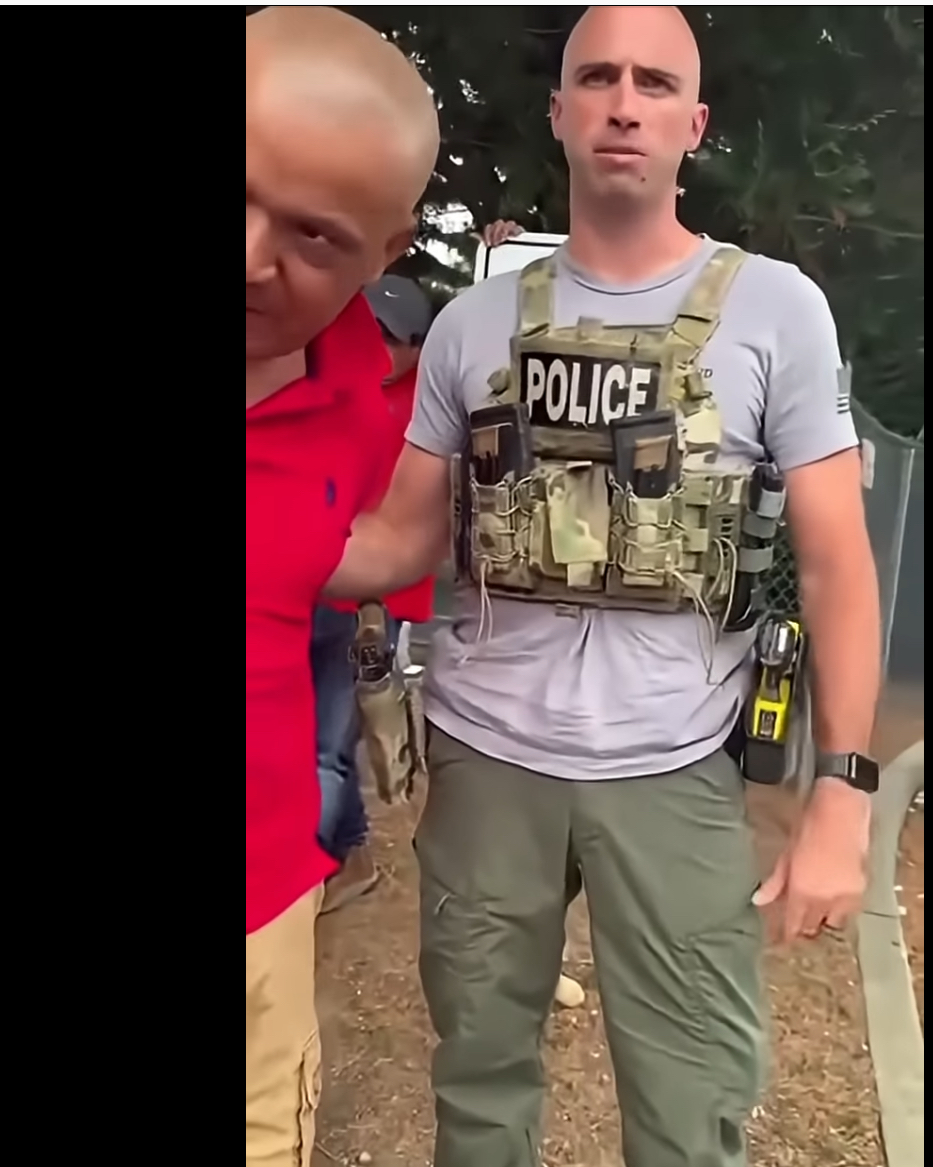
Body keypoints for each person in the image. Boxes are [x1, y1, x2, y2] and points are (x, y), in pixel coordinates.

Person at [326, 6, 882, 1165]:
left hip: (674, 766)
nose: (624, 104)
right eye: (598, 78)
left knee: (690, 1113)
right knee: (480, 1093)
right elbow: (398, 543)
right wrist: (280, 538)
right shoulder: (473, 325)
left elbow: (838, 563)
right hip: (488, 764)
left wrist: (843, 794)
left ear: (694, 122)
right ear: (560, 111)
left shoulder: (775, 309)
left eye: (654, 83)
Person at [245, 7, 438, 1165]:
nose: (249, 256)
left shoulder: (359, 403)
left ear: (387, 250)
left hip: (261, 890)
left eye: (313, 236)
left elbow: (368, 549)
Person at [313, 274, 437, 915]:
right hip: (307, 582)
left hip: (369, 602)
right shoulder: (328, 382)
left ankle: (297, 885)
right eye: (366, 331)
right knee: (300, 734)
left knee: (328, 747)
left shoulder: (431, 405)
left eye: (390, 338)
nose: (376, 347)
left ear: (418, 345)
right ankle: (351, 850)